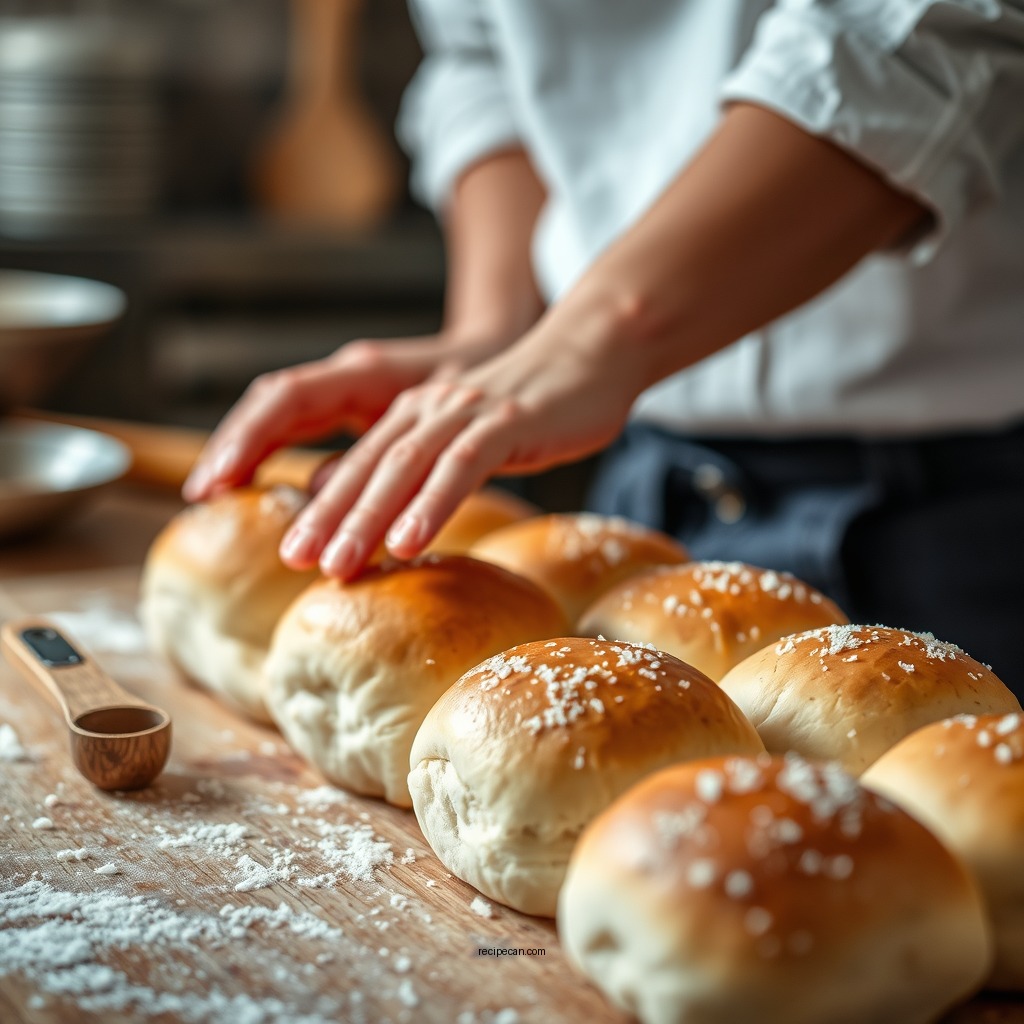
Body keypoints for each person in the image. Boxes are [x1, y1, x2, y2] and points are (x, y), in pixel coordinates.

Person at [184, 0, 1024, 688]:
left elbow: (924, 30)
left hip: (956, 518)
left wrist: (598, 336)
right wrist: (501, 330)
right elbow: (485, 59)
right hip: (645, 499)